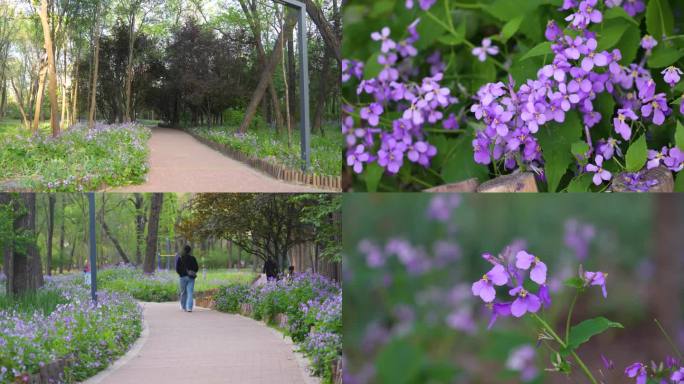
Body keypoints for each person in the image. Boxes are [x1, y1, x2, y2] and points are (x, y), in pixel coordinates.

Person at [175, 245, 199, 312]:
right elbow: (196, 268)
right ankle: (189, 308)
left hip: (183, 277)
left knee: (183, 292)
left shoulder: (180, 258)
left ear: (184, 250)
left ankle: (183, 307)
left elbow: (177, 269)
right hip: (191, 278)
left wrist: (181, 274)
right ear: (190, 251)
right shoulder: (193, 258)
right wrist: (192, 272)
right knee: (190, 293)